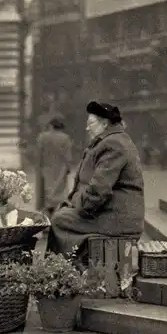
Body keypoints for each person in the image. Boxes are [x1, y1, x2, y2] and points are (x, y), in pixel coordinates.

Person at [47, 101, 145, 257]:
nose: (87, 128)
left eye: (90, 123)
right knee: (62, 214)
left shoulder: (113, 144)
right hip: (113, 213)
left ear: (104, 123)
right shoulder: (113, 141)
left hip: (118, 219)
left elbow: (98, 190)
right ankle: (66, 268)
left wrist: (79, 208)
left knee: (60, 220)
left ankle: (63, 270)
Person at [35, 115, 73, 218]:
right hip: (60, 172)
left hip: (45, 172)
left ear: (51, 126)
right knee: (59, 199)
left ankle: (46, 225)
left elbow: (38, 157)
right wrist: (67, 170)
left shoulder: (42, 137)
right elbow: (68, 159)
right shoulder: (65, 138)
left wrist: (39, 169)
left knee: (45, 199)